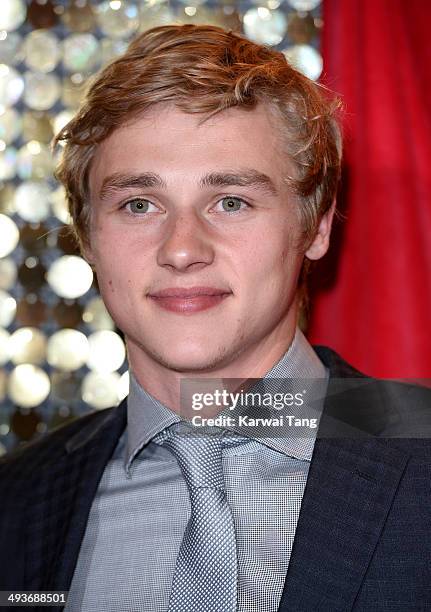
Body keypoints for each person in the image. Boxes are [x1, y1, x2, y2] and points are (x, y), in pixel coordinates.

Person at [1, 24, 430, 612]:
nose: (181, 249)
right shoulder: (16, 500)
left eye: (231, 201)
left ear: (316, 226)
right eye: (138, 204)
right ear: (89, 237)